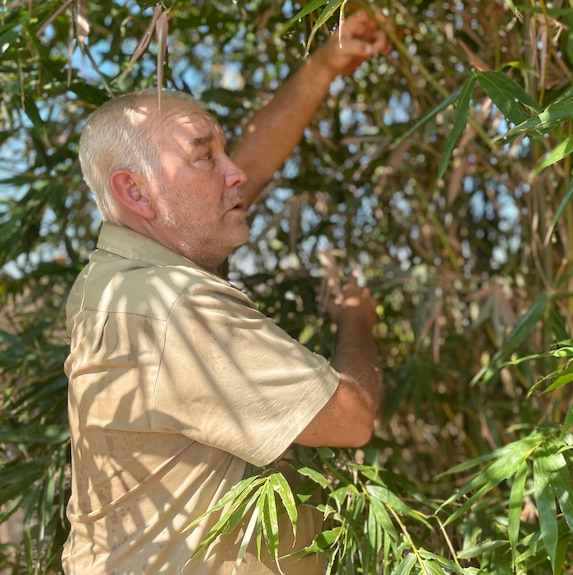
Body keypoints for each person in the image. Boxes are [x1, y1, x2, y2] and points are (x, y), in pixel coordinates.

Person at [63, 9, 389, 575]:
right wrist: (357, 319)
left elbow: (241, 177)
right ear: (135, 192)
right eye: (205, 155)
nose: (235, 172)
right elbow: (350, 417)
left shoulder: (119, 276)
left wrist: (327, 63)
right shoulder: (171, 304)